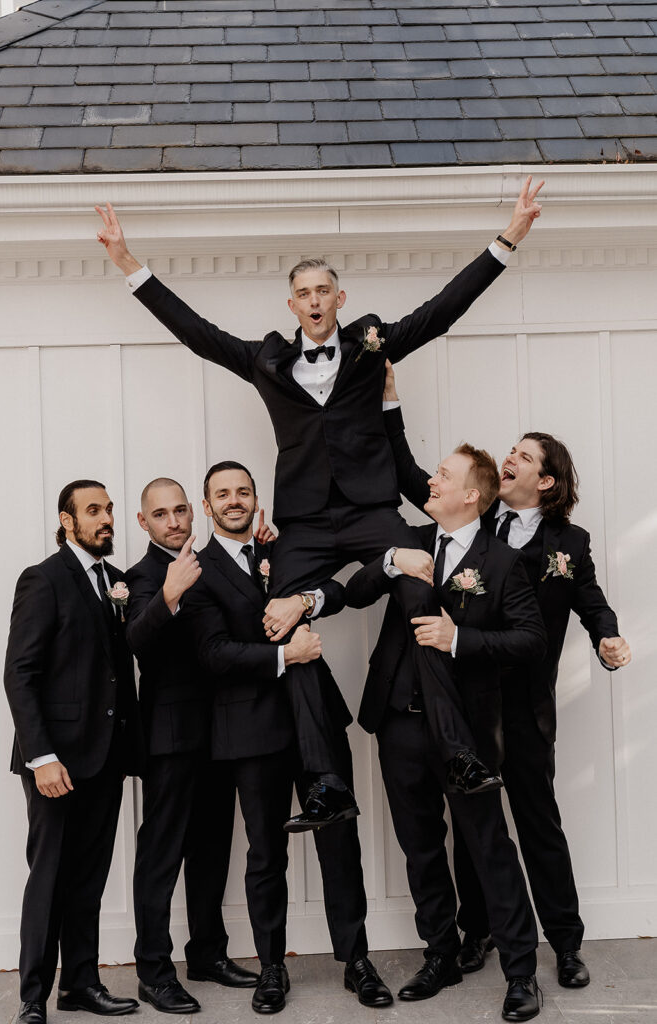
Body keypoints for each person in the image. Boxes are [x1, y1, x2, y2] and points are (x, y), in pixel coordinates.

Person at [94, 178, 544, 820]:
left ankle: (457, 752)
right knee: (280, 618)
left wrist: (509, 238)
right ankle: (325, 782)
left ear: (339, 298)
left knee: (421, 585)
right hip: (303, 521)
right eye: (302, 293)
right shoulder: (265, 361)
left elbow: (443, 309)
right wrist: (128, 264)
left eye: (323, 291)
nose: (313, 300)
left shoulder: (372, 344)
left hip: (369, 512)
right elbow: (196, 332)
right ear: (291, 303)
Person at [382, 364, 631, 989]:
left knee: (537, 818)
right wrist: (389, 405)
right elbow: (417, 479)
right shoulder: (473, 524)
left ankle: (566, 943)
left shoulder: (567, 540)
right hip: (467, 703)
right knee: (473, 827)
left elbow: (591, 599)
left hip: (524, 708)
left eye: (523, 456)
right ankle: (477, 931)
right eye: (510, 453)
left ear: (545, 481)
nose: (510, 458)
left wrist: (607, 635)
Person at [181, 461, 393, 1012]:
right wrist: (284, 654)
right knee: (265, 854)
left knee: (340, 844)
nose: (234, 500)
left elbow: (332, 586)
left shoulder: (285, 548)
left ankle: (357, 961)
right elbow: (213, 654)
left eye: (243, 491)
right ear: (207, 507)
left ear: (256, 500)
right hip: (251, 732)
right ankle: (272, 967)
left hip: (316, 719)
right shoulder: (195, 571)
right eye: (222, 494)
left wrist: (302, 599)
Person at [346, 444, 546, 1022]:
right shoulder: (409, 541)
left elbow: (530, 640)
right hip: (398, 724)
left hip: (466, 732)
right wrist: (389, 564)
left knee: (488, 846)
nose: (431, 481)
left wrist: (459, 639)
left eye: (443, 475)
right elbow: (357, 590)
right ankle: (441, 956)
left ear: (471, 496)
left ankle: (521, 973)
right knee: (421, 850)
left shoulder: (503, 561)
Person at [4, 481, 142, 1024]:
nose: (105, 518)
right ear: (67, 521)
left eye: (108, 509)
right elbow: (20, 673)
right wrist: (41, 757)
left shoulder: (117, 581)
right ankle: (32, 998)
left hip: (105, 756)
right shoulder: (43, 579)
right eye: (93, 511)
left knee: (89, 876)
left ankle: (81, 984)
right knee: (50, 876)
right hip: (56, 761)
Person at [125, 477, 259, 1014]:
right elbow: (135, 639)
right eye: (162, 514)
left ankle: (207, 953)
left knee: (211, 851)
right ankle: (154, 972)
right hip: (169, 739)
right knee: (160, 858)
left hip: (219, 734)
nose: (175, 521)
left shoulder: (209, 562)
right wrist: (168, 594)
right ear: (144, 523)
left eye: (181, 510)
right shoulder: (140, 578)